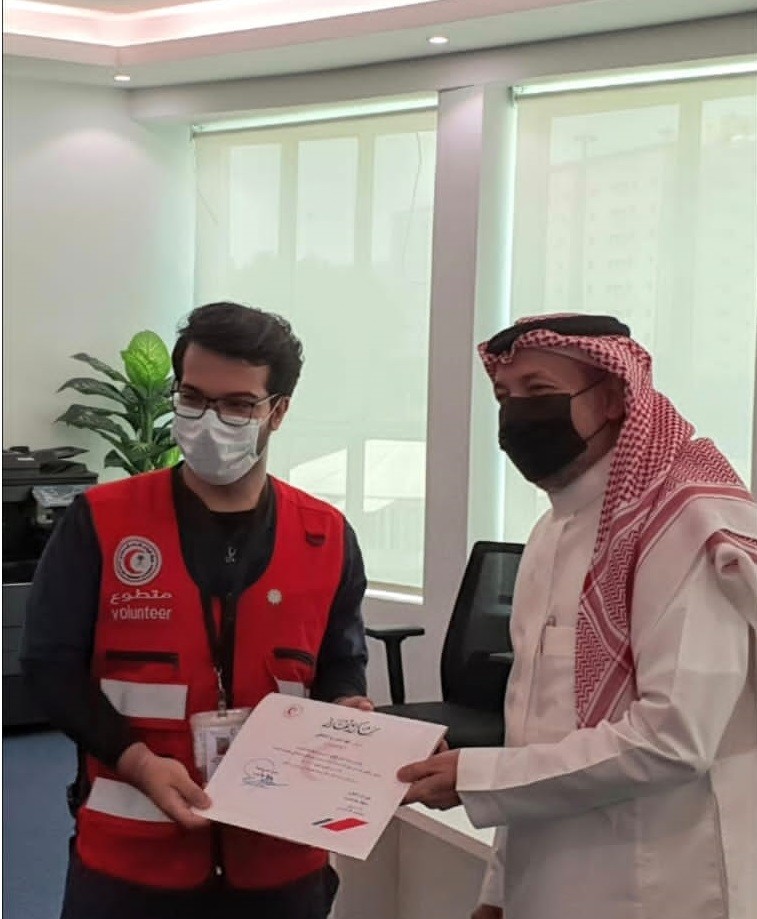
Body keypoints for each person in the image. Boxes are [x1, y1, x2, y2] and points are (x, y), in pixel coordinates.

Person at [399, 313, 757, 919]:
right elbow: (530, 729)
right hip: (546, 878)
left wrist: (477, 776)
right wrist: (498, 891)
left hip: (657, 884)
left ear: (614, 397)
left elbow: (674, 739)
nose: (517, 414)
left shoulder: (684, 524)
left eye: (539, 390)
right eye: (504, 396)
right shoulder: (550, 531)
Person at [22, 302, 373, 919]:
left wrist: (348, 708)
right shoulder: (101, 522)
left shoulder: (326, 535)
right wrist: (136, 762)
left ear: (278, 412)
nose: (210, 420)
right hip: (131, 855)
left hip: (279, 854)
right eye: (192, 397)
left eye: (238, 404)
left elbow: (340, 661)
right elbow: (50, 666)